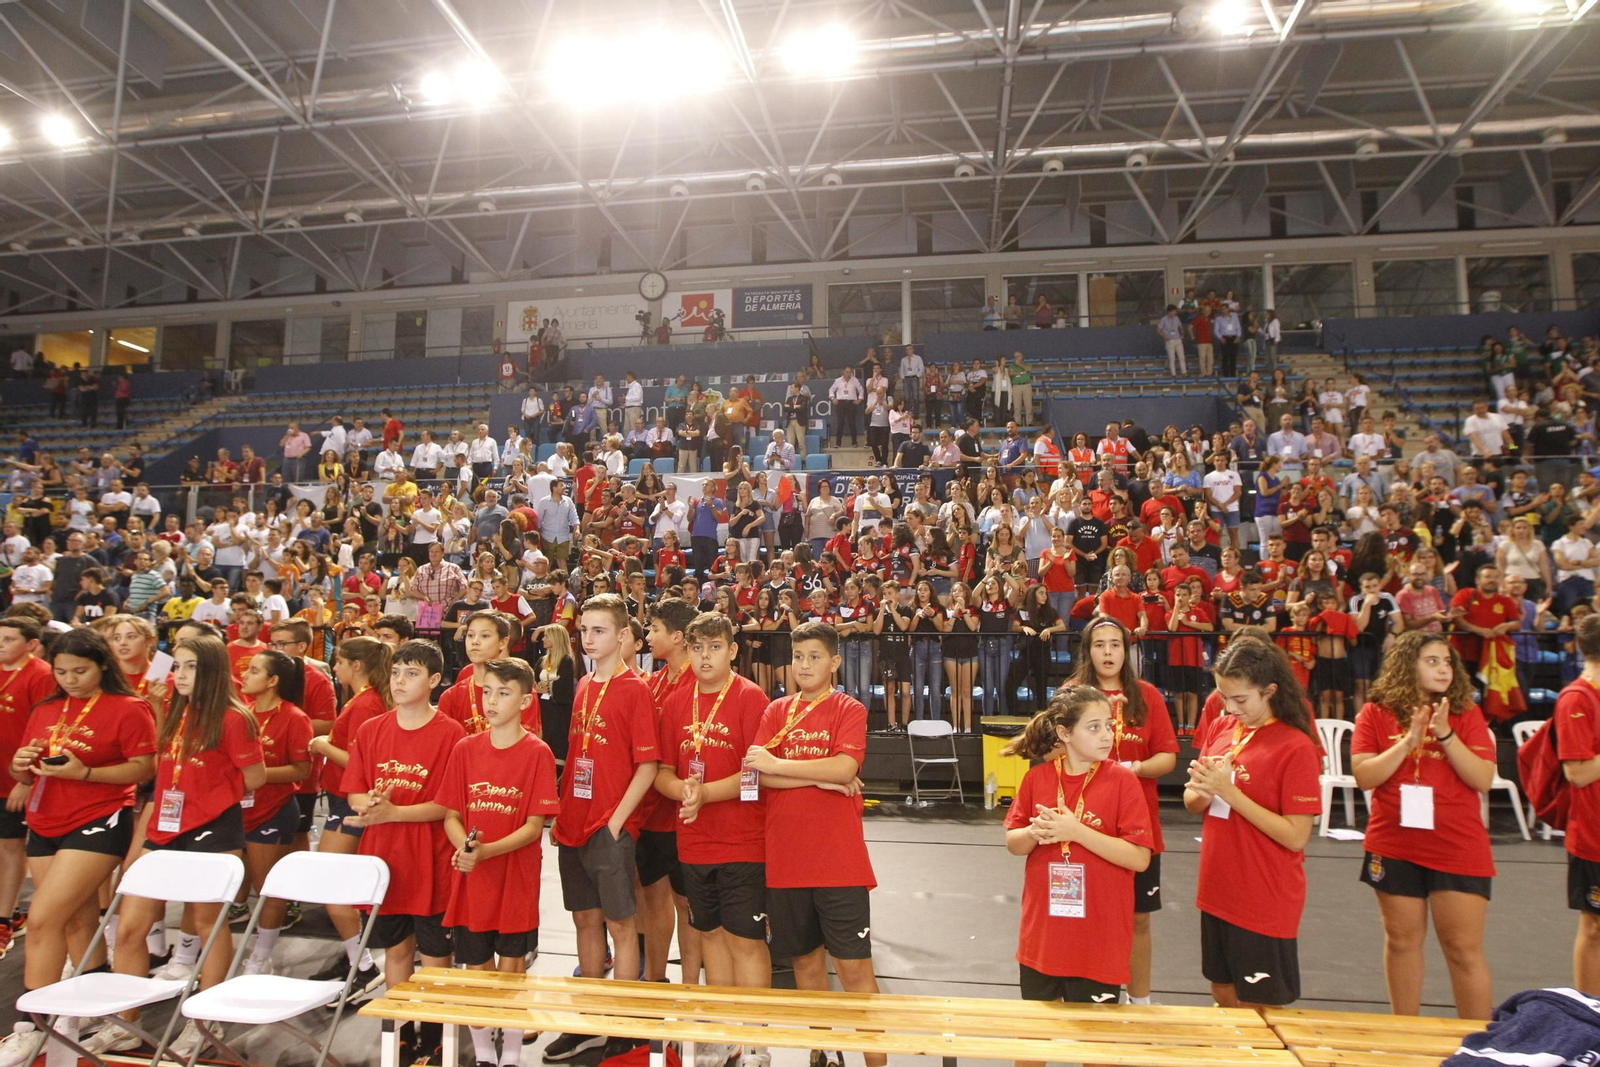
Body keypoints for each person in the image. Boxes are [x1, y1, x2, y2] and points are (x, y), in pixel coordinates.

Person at [93, 634, 266, 1060]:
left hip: (213, 829)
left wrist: (213, 796)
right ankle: (125, 1023)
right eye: (178, 666)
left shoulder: (232, 717)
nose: (179, 674)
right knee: (131, 927)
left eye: (189, 666)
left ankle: (204, 1022)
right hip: (166, 829)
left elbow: (256, 777)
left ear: (210, 671)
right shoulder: (176, 710)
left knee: (208, 924)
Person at [5, 628, 155, 1060]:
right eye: (62, 671)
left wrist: (85, 774)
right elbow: (28, 771)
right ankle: (99, 1010)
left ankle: (35, 1023)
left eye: (80, 671)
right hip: (46, 817)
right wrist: (20, 769)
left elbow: (144, 768)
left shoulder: (129, 707)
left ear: (102, 666)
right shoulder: (47, 708)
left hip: (98, 818)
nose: (70, 679)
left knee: (43, 919)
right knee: (74, 921)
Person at [743, 621, 884, 1067]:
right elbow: (755, 774)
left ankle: (877, 1061)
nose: (804, 665)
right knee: (805, 964)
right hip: (785, 861)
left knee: (855, 970)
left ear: (835, 662)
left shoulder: (849, 709)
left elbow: (846, 768)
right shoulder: (775, 710)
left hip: (838, 863)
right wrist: (822, 777)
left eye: (815, 657)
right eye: (798, 657)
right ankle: (823, 1052)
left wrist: (793, 769)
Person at [1351, 630, 1496, 1021]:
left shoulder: (1466, 713)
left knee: (1463, 950)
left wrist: (1444, 734)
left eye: (1447, 662)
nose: (1443, 669)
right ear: (1407, 665)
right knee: (1401, 941)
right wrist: (1408, 740)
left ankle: (1478, 1046)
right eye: (1432, 661)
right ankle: (1405, 1033)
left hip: (1456, 845)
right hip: (1395, 843)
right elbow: (1365, 776)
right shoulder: (1375, 712)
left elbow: (1482, 779)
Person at [653, 612, 773, 1063]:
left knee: (746, 939)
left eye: (715, 647)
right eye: (698, 648)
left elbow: (756, 774)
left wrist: (703, 793)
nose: (705, 656)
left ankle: (756, 1043)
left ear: (733, 651)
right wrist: (682, 791)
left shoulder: (750, 698)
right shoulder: (679, 700)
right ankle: (725, 1037)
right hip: (695, 841)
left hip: (743, 841)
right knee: (710, 935)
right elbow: (663, 771)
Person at [546, 594, 659, 1062]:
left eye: (598, 631)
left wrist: (616, 822)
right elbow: (577, 756)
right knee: (584, 920)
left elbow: (648, 765)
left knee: (620, 924)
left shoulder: (635, 688)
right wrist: (562, 811)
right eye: (584, 631)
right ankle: (588, 1019)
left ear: (622, 636)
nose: (589, 639)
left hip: (609, 826)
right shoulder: (583, 685)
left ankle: (623, 1023)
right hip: (574, 820)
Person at [1184, 639, 1321, 1010]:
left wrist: (1228, 792)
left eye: (1240, 700)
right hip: (1217, 886)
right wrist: (1205, 790)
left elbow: (1296, 836)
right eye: (1223, 697)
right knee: (1223, 993)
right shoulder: (1221, 727)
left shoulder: (1296, 746)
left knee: (1259, 1008)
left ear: (1270, 691)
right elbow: (1192, 800)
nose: (1230, 708)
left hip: (1263, 893)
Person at [1002, 685, 1152, 1024]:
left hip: (1098, 941)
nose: (1106, 736)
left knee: (1098, 1046)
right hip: (1044, 938)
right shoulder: (1036, 779)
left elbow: (1140, 858)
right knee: (1034, 1044)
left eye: (1109, 726)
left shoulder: (1122, 782)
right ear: (1064, 733)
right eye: (1094, 727)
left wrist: (1077, 832)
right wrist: (1034, 833)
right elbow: (1014, 843)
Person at [345, 639, 463, 1064]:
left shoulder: (452, 734)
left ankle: (433, 1033)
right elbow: (356, 792)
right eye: (395, 672)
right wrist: (370, 806)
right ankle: (398, 1030)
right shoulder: (370, 730)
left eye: (411, 673)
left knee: (435, 955)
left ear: (433, 680)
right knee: (395, 951)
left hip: (430, 862)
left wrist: (393, 812)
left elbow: (449, 806)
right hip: (383, 860)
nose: (399, 681)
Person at [440, 657, 560, 1067]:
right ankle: (484, 1055)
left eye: (503, 693)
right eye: (487, 691)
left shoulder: (538, 753)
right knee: (477, 968)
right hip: (473, 879)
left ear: (526, 700)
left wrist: (487, 851)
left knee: (511, 969)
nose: (491, 700)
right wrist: (466, 849)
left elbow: (533, 827)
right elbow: (452, 815)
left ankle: (510, 1053)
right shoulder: (464, 749)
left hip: (515, 878)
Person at [1067, 615, 1177, 1004]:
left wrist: (1134, 769)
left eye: (1115, 644)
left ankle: (1140, 999)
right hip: (1082, 825)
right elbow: (1048, 750)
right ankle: (1087, 993)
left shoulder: (1147, 695)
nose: (1108, 652)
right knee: (1083, 918)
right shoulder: (1072, 694)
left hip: (1136, 828)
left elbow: (1168, 757)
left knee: (1138, 918)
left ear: (1126, 650)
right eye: (1100, 645)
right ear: (1088, 651)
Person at [303, 637, 389, 992]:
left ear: (356, 665)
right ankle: (358, 959)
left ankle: (363, 964)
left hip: (349, 800)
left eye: (338, 661)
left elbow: (361, 764)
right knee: (336, 885)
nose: (333, 667)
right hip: (343, 798)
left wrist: (323, 746)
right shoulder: (363, 699)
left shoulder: (367, 703)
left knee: (332, 884)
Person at [236, 650, 313, 976]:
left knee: (268, 888)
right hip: (238, 811)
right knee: (238, 885)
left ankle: (262, 956)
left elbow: (302, 769)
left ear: (273, 681)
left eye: (254, 671)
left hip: (273, 810)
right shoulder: (244, 713)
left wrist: (258, 772)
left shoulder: (294, 718)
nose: (245, 677)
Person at [638, 599, 701, 986]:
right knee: (653, 899)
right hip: (652, 810)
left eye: (654, 629)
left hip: (687, 812)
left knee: (686, 903)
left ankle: (692, 986)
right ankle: (654, 979)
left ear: (677, 637)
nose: (648, 635)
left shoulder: (704, 681)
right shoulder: (653, 682)